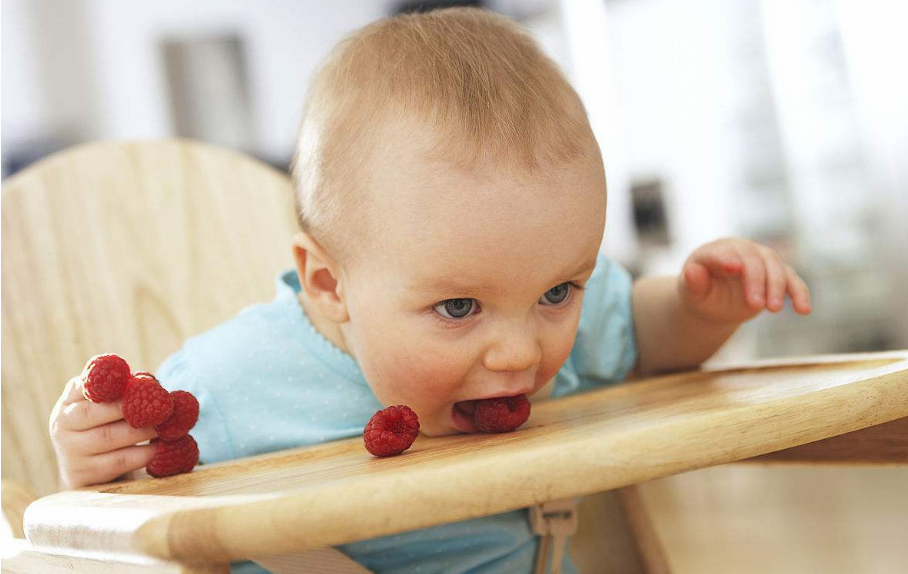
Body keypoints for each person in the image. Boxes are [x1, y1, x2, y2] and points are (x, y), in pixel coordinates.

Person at [49, 7, 812, 573]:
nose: (520, 351)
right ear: (328, 283)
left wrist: (698, 309)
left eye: (557, 292)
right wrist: (92, 460)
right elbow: (121, 525)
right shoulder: (226, 386)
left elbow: (645, 339)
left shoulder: (535, 312)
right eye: (457, 308)